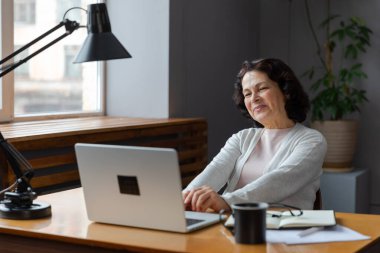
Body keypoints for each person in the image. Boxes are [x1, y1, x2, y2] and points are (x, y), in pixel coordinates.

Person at [183, 58, 327, 213]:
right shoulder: (241, 138)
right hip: (232, 224)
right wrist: (186, 198)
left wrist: (227, 201)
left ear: (286, 92)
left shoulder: (312, 140)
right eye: (247, 94)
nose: (254, 98)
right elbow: (215, 170)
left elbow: (279, 181)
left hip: (286, 229)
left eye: (262, 88)